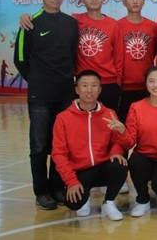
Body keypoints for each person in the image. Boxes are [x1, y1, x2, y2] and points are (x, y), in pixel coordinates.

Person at [14, 0, 78, 210]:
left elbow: (73, 56)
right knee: (40, 145)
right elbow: (20, 59)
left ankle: (57, 187)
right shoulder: (30, 23)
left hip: (65, 94)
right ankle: (41, 191)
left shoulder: (70, 23)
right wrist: (38, 81)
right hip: (40, 95)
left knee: (62, 144)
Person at [19, 0, 123, 111]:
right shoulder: (74, 20)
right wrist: (26, 17)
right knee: (80, 121)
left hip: (108, 83)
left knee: (109, 120)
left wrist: (118, 82)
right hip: (82, 82)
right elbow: (51, 17)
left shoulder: (114, 25)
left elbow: (119, 56)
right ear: (82, 0)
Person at [51, 70, 128, 220]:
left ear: (99, 90)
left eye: (94, 86)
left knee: (120, 164)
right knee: (74, 203)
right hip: (80, 171)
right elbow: (58, 154)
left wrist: (116, 151)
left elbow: (117, 142)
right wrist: (71, 181)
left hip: (102, 167)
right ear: (77, 89)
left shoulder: (109, 113)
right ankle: (84, 197)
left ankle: (109, 202)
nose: (89, 90)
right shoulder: (63, 118)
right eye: (85, 85)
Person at [106, 67, 157, 217]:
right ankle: (143, 200)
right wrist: (122, 131)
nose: (155, 85)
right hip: (143, 156)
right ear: (146, 84)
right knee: (135, 161)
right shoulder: (136, 107)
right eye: (151, 81)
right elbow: (130, 141)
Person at [117, 0, 157, 123]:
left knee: (146, 123)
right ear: (124, 2)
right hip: (123, 86)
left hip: (147, 85)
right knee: (124, 122)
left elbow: (156, 52)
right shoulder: (117, 26)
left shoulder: (153, 26)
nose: (135, 1)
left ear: (143, 2)